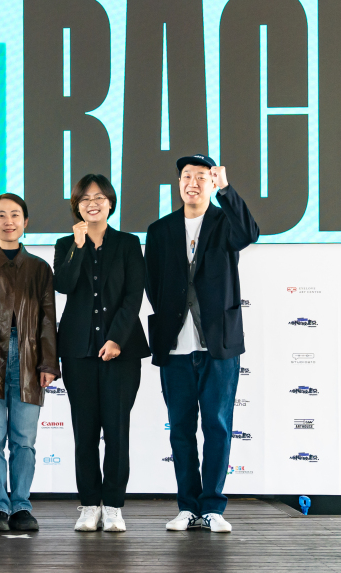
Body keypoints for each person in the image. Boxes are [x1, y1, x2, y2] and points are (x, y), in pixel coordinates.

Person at [144, 154, 260, 534]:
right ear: (179, 184)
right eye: (185, 177)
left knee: (217, 426)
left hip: (218, 346)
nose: (191, 182)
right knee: (180, 429)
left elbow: (250, 233)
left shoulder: (225, 223)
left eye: (200, 177)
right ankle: (187, 507)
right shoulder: (160, 230)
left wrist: (227, 188)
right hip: (175, 347)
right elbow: (153, 283)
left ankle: (212, 507)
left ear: (212, 183)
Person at [53, 173, 150, 533]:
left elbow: (133, 296)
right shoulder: (66, 244)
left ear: (110, 202)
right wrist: (78, 248)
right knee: (85, 432)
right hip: (78, 352)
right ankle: (89, 504)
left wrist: (116, 339)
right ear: (76, 206)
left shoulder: (128, 243)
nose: (92, 202)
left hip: (120, 353)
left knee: (117, 431)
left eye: (99, 196)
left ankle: (113, 505)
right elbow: (63, 285)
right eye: (84, 198)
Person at [0, 194, 61, 532]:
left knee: (24, 441)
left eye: (15, 215)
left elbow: (49, 318)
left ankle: (21, 506)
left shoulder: (39, 268)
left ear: (25, 222)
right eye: (0, 215)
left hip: (29, 357)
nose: (8, 221)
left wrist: (49, 362)